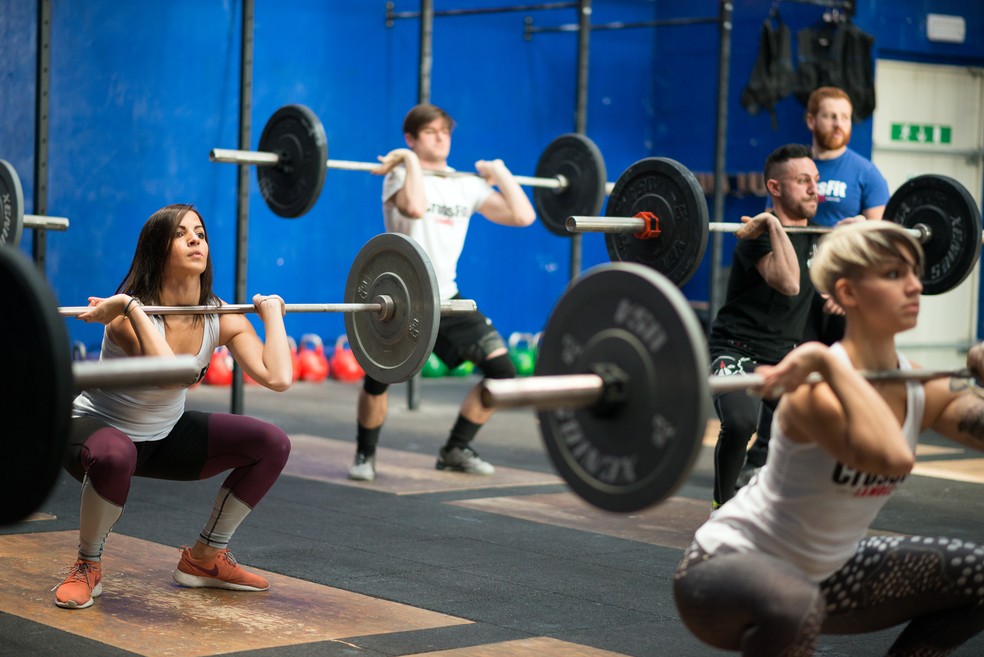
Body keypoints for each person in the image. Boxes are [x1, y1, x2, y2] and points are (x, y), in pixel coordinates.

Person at [674, 221, 984, 656]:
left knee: (977, 573)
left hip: (826, 576)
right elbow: (892, 457)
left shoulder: (923, 387)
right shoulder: (813, 395)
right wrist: (825, 359)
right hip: (725, 571)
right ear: (849, 293)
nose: (915, 286)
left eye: (915, 272)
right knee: (794, 604)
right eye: (894, 274)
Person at [54, 204, 294, 609]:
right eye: (181, 234)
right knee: (116, 452)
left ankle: (204, 559)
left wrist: (273, 316)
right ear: (156, 251)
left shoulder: (220, 315)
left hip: (164, 436)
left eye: (199, 232)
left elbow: (278, 377)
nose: (195, 239)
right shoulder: (125, 318)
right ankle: (87, 564)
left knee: (272, 444)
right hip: (96, 434)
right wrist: (129, 306)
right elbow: (169, 374)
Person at [347, 103, 536, 481]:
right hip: (398, 298)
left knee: (502, 372)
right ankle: (365, 455)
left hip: (446, 297)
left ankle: (455, 448)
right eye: (431, 132)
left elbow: (523, 216)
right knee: (377, 379)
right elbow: (414, 207)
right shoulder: (397, 175)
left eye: (445, 131)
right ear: (411, 138)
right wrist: (408, 162)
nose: (441, 138)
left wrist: (501, 174)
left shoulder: (465, 184)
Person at [741, 87, 893, 481]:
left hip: (842, 297)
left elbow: (879, 242)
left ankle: (841, 458)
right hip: (798, 293)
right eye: (830, 116)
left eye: (845, 117)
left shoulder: (865, 173)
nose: (839, 124)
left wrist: (850, 290)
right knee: (787, 371)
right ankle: (762, 456)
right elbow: (773, 226)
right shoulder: (793, 169)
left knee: (845, 377)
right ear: (811, 120)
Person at [707, 144, 821, 509]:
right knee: (740, 424)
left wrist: (860, 232)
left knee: (823, 425)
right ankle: (721, 509)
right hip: (735, 351)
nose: (813, 189)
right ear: (775, 188)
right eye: (803, 181)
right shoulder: (755, 237)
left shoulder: (821, 235)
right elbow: (789, 283)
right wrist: (772, 222)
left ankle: (776, 507)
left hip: (782, 358)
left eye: (815, 180)